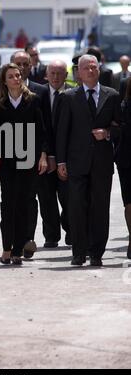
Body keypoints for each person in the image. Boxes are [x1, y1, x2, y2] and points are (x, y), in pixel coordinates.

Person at [56, 54, 121, 267]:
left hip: (102, 163)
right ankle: (78, 252)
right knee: (77, 208)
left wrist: (108, 133)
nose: (91, 71)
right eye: (86, 68)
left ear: (99, 70)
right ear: (79, 72)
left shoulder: (111, 95)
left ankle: (96, 252)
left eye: (94, 67)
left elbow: (122, 127)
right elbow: (62, 132)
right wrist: (61, 162)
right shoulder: (69, 97)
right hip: (77, 162)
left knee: (100, 208)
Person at [0, 63, 48, 265]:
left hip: (29, 160)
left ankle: (18, 249)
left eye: (18, 75)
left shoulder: (33, 100)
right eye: (11, 76)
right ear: (4, 81)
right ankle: (6, 248)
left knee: (24, 204)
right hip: (7, 161)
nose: (16, 79)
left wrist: (44, 156)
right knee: (7, 204)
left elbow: (43, 131)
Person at [41, 60, 73, 246]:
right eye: (52, 73)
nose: (55, 77)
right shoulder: (39, 93)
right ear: (46, 74)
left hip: (67, 157)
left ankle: (70, 230)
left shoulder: (73, 94)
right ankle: (51, 236)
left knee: (68, 197)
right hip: (44, 156)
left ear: (65, 75)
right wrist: (45, 154)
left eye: (59, 73)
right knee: (46, 199)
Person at [115, 77, 131, 259]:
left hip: (125, 157)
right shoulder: (124, 105)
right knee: (129, 202)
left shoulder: (123, 106)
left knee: (129, 201)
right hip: (126, 158)